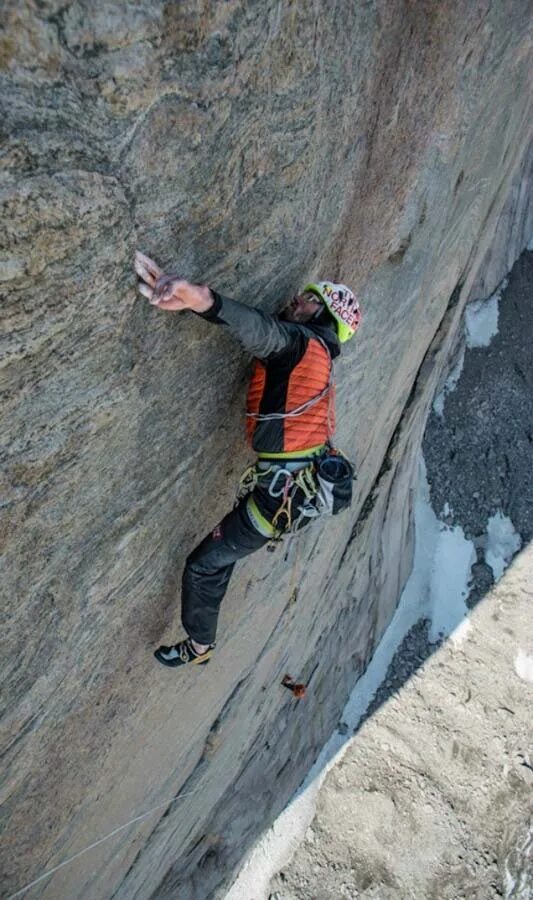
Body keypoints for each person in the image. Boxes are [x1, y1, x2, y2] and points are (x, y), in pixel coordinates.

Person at [134, 251, 361, 668]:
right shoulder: (321, 357)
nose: (297, 298)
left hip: (276, 500)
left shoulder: (299, 345)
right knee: (220, 558)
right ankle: (201, 638)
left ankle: (199, 648)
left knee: (202, 567)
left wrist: (199, 297)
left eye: (309, 298)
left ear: (323, 313)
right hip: (289, 493)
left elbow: (256, 330)